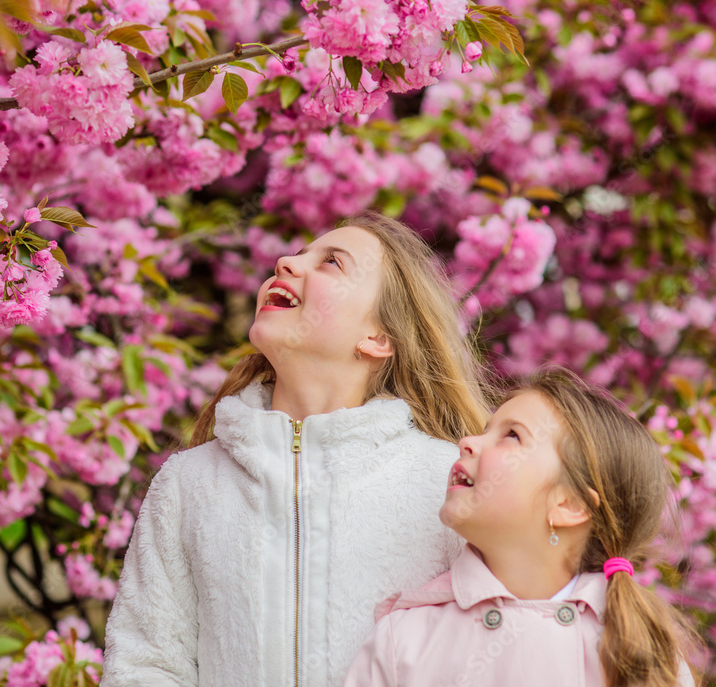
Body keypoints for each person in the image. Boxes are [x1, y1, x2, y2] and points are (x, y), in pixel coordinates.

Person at [101, 211, 492, 687]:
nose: (285, 261)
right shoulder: (188, 483)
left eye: (332, 262)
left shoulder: (445, 481)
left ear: (378, 337)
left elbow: (490, 653)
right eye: (298, 253)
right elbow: (145, 666)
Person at [343, 368, 699, 687]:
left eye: (511, 436)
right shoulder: (405, 640)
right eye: (486, 430)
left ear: (570, 505)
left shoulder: (641, 651)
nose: (468, 441)